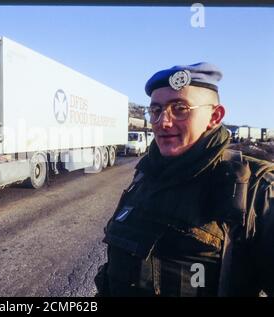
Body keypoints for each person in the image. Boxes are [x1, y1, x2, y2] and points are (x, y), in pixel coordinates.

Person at [94, 62, 274, 297]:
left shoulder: (255, 190)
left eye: (179, 108)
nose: (163, 122)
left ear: (214, 116)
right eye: (156, 110)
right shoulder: (145, 174)